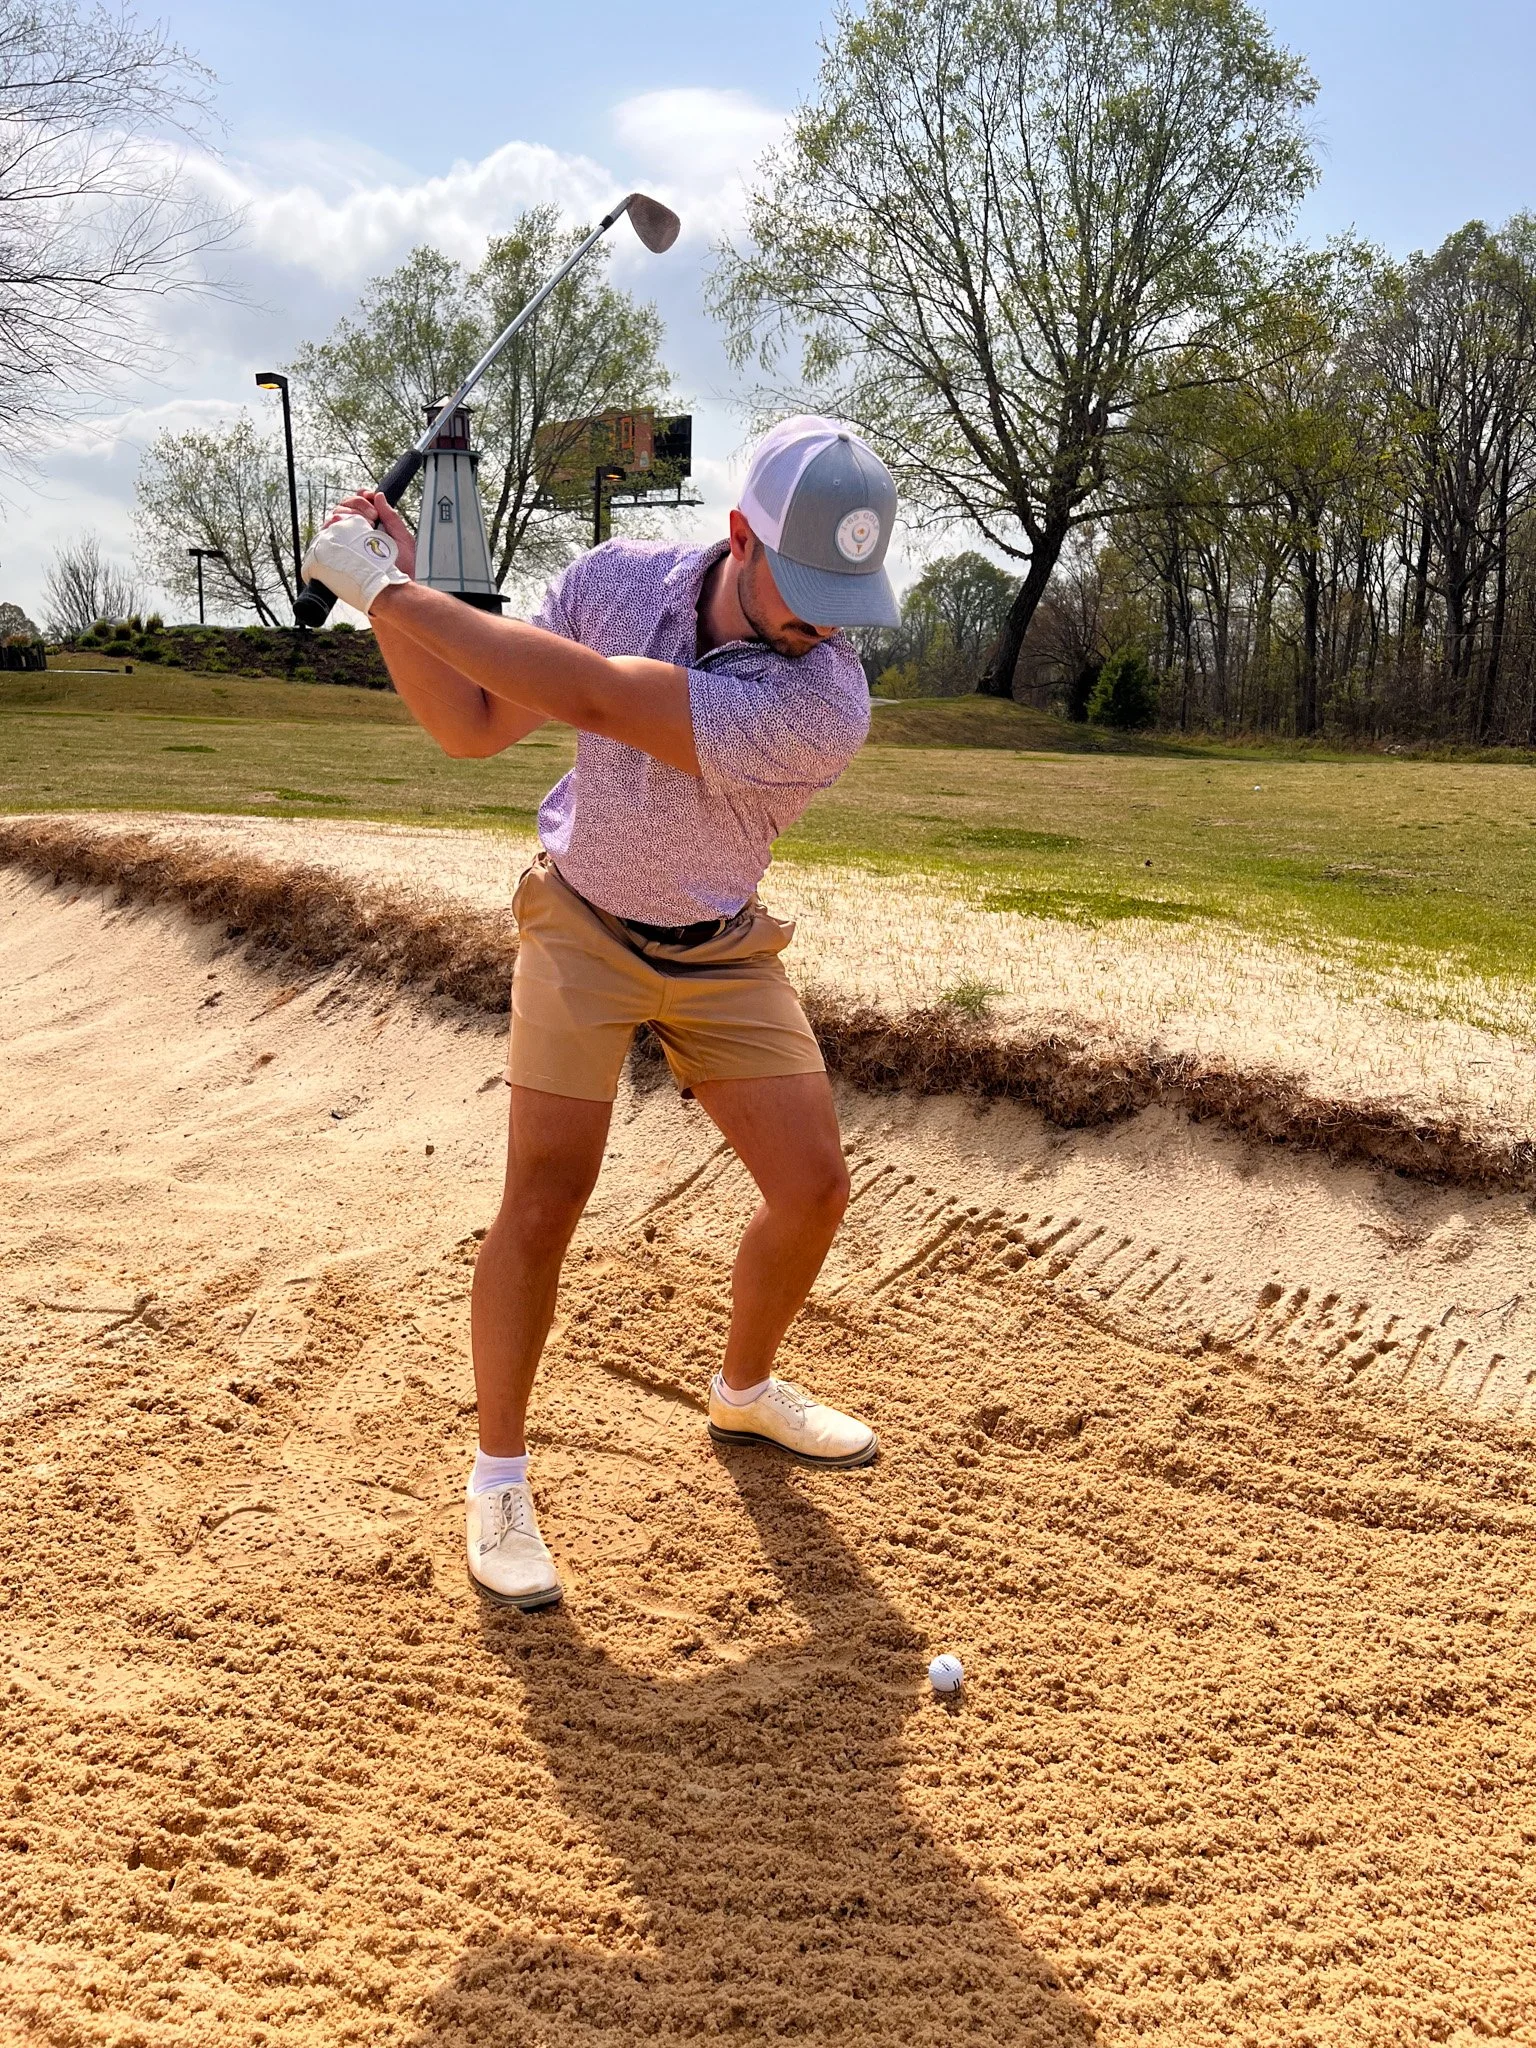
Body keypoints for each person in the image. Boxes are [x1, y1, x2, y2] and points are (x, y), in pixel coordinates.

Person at [303, 416, 902, 1612]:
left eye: (853, 593)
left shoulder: (825, 700)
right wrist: (394, 603)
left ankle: (742, 1391)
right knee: (545, 1196)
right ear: (742, 537)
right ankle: (498, 1480)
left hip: (720, 946)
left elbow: (596, 697)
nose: (830, 619)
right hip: (580, 923)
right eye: (812, 586)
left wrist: (384, 586)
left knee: (814, 1186)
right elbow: (472, 722)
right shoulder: (613, 582)